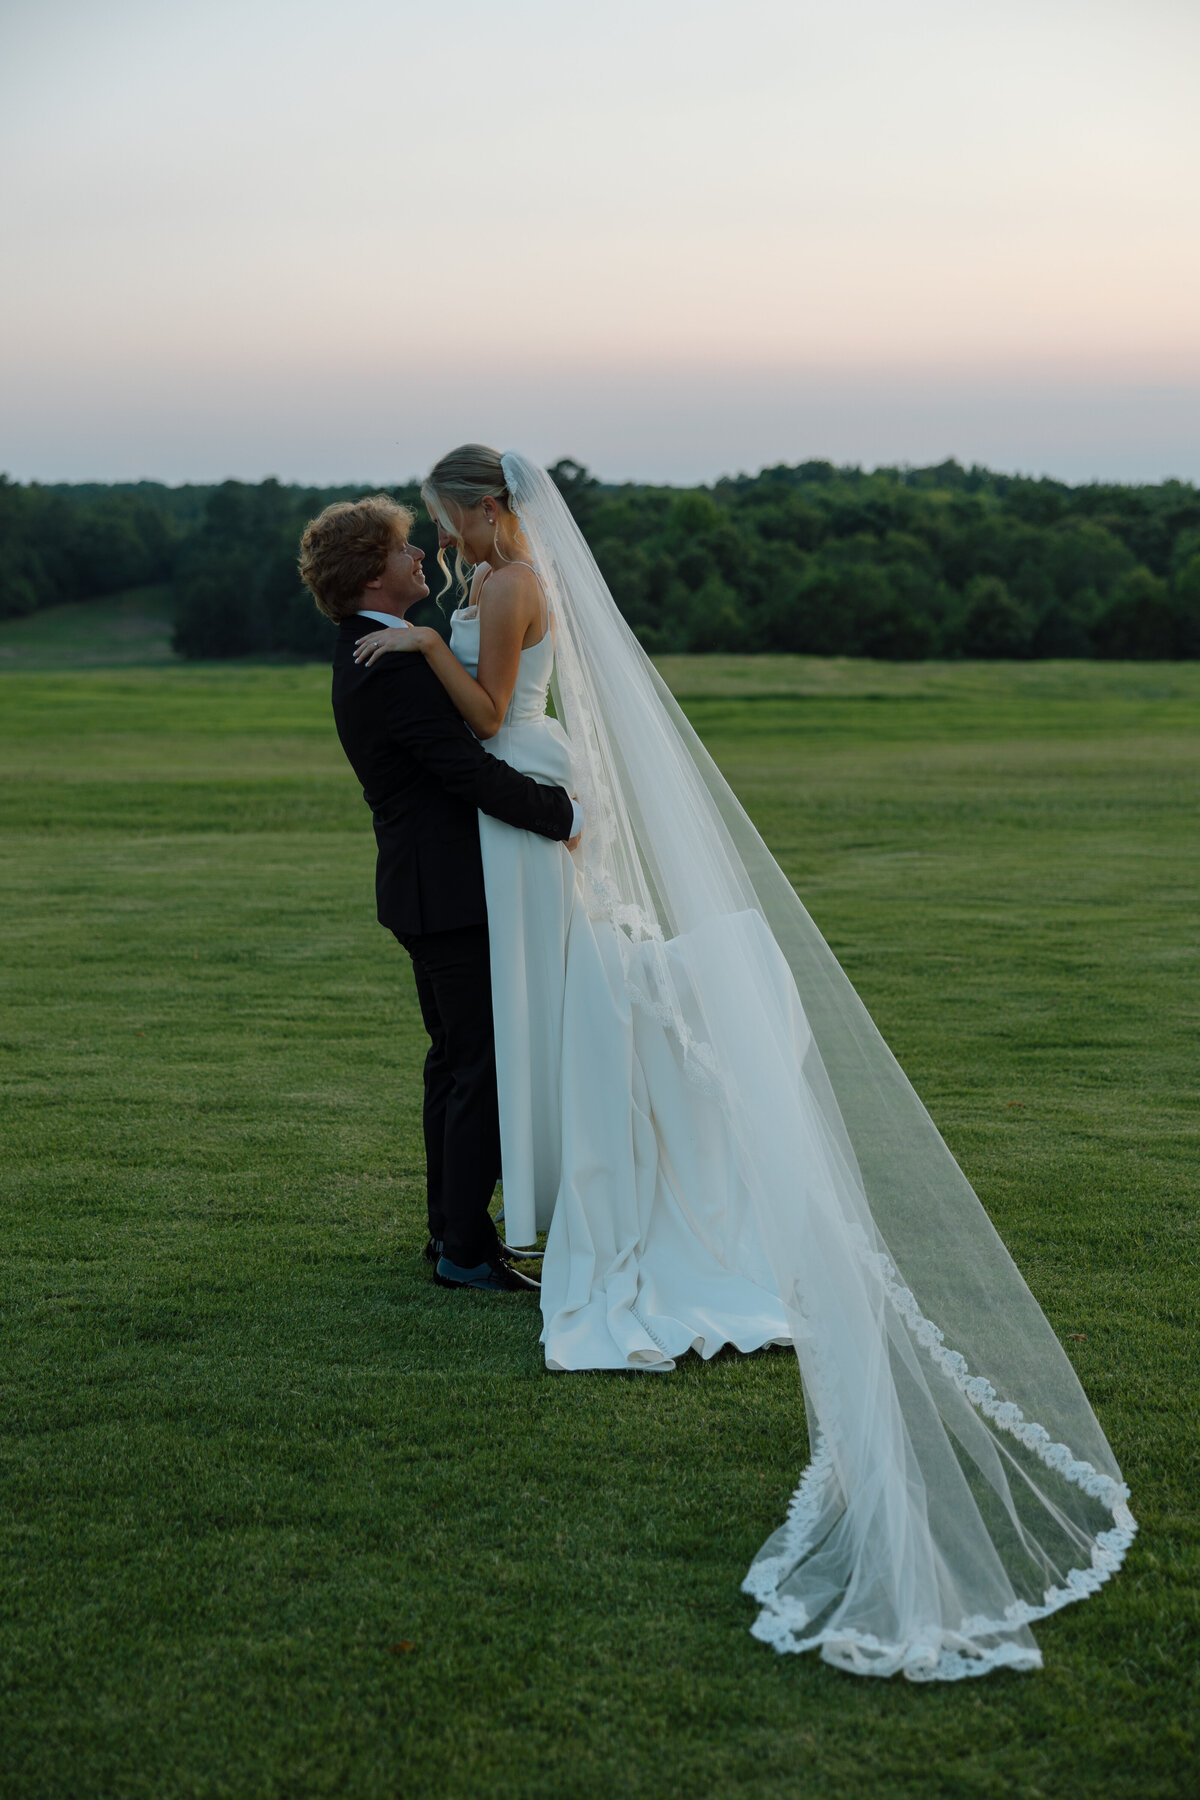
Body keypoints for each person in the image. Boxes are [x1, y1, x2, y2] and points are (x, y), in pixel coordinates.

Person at [352, 450, 1135, 1682]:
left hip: (525, 795)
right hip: (514, 816)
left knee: (555, 1012)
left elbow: (496, 715)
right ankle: (513, 1207)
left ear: (486, 508)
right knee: (529, 1020)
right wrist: (426, 641)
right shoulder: (492, 575)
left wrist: (423, 651)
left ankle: (563, 1203)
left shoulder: (504, 587)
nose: (443, 538)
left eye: (451, 518)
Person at [299, 493, 580, 1294]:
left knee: (455, 1063)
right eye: (402, 550)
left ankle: (450, 1231)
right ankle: (463, 1249)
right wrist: (561, 811)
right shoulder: (385, 663)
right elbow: (462, 767)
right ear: (369, 576)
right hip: (446, 891)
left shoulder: (382, 646)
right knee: (478, 1067)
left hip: (429, 887)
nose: (421, 556)